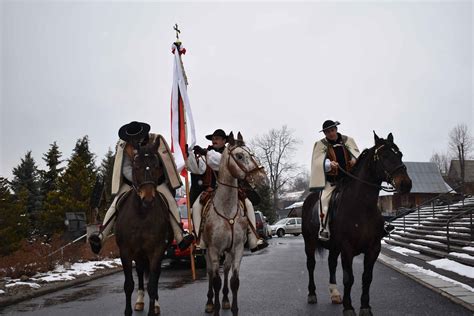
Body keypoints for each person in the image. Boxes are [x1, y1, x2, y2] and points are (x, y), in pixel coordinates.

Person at [89, 121, 194, 254]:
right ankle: (101, 236)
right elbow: (126, 167)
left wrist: (151, 178)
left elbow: (163, 162)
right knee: (115, 204)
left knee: (171, 202)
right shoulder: (125, 146)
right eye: (131, 139)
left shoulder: (155, 141)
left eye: (136, 138)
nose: (133, 141)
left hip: (156, 182)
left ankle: (180, 237)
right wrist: (138, 180)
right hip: (132, 182)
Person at [186, 129, 268, 252]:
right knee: (196, 207)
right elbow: (198, 169)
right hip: (212, 191)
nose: (214, 140)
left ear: (224, 141)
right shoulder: (207, 154)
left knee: (249, 204)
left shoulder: (229, 153)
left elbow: (221, 160)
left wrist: (206, 153)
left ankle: (253, 238)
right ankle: (200, 240)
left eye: (217, 138)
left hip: (232, 191)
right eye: (213, 138)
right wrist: (188, 155)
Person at [309, 120, 360, 241]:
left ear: (336, 129)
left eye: (332, 130)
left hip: (349, 181)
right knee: (323, 199)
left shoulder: (348, 141)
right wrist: (328, 164)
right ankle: (324, 228)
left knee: (365, 194)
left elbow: (357, 154)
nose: (331, 133)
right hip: (332, 182)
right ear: (325, 134)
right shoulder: (320, 145)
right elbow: (317, 162)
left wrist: (354, 160)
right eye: (327, 132)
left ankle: (378, 223)